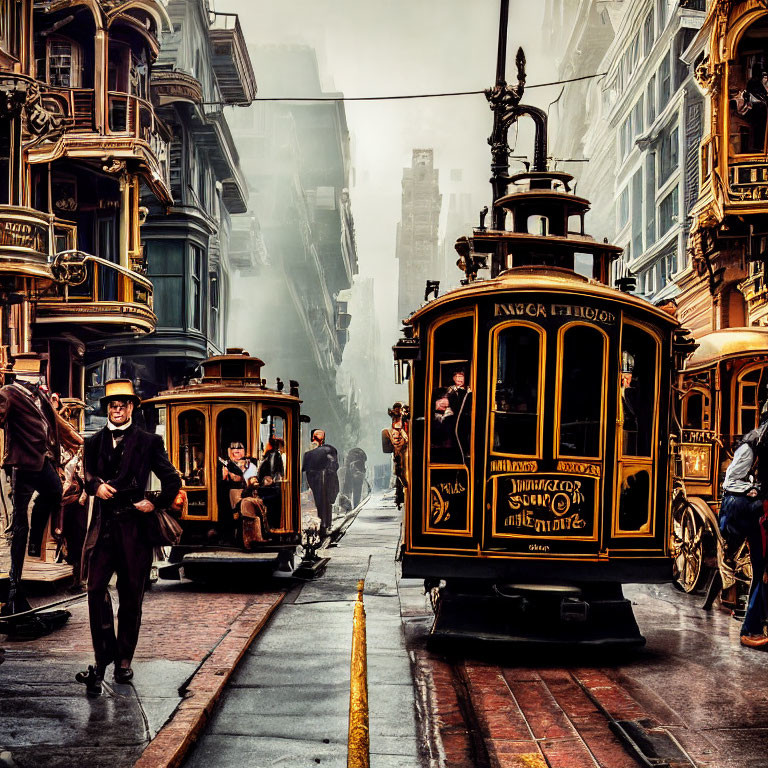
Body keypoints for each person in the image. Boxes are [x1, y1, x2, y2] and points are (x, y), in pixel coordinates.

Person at [76, 378, 181, 696]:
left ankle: (123, 661)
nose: (117, 409)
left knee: (132, 596)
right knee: (95, 589)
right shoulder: (93, 442)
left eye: (123, 404)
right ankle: (103, 654)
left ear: (132, 407)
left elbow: (172, 480)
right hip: (105, 528)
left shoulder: (149, 442)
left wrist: (155, 502)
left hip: (136, 531)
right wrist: (95, 487)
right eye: (112, 404)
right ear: (107, 408)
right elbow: (87, 476)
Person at [0, 353, 82, 621]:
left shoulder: (41, 397)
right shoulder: (9, 393)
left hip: (43, 460)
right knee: (20, 519)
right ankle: (14, 586)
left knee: (54, 493)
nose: (36, 380)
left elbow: (58, 425)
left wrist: (80, 442)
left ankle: (34, 541)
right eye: (32, 376)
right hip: (22, 463)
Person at [719, 412, 768, 649]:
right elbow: (731, 482)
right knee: (763, 568)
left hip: (761, 510)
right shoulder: (752, 445)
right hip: (753, 513)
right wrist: (755, 489)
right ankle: (751, 628)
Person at [302, 429, 339, 536]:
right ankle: (325, 525)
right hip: (319, 479)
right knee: (323, 502)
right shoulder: (329, 450)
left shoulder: (312, 453)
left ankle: (324, 525)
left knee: (322, 502)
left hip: (321, 479)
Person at [382, 404, 408, 509]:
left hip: (405, 454)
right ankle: (400, 496)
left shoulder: (403, 428)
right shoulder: (389, 432)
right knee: (399, 473)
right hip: (399, 456)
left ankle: (401, 495)